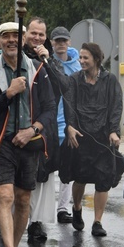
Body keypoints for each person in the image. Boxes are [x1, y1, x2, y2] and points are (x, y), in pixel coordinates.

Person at [0, 22, 56, 247]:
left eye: (15, 36)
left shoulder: (37, 69)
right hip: (1, 143)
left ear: (22, 40)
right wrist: (8, 93)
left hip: (29, 144)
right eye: (5, 37)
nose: (11, 40)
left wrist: (32, 130)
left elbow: (50, 108)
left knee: (23, 200)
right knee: (6, 196)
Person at [61, 43, 122, 238]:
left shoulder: (110, 80)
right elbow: (68, 103)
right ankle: (77, 208)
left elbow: (116, 107)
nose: (81, 61)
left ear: (96, 59)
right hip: (80, 136)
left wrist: (114, 131)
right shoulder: (74, 80)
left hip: (103, 138)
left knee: (103, 181)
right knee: (80, 178)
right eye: (80, 57)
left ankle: (97, 221)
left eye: (85, 57)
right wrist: (69, 126)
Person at [22, 17, 63, 240]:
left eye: (41, 34)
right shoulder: (16, 55)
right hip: (20, 122)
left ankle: (35, 222)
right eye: (33, 33)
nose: (36, 38)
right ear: (26, 33)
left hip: (44, 126)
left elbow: (63, 86)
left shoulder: (50, 60)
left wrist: (47, 61)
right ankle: (15, 217)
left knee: (41, 177)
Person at [49, 26, 80, 225]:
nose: (60, 44)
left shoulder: (78, 65)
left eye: (64, 41)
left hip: (70, 123)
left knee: (67, 170)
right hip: (51, 121)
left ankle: (62, 209)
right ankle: (42, 211)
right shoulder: (48, 62)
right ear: (52, 43)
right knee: (47, 168)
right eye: (57, 41)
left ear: (69, 42)